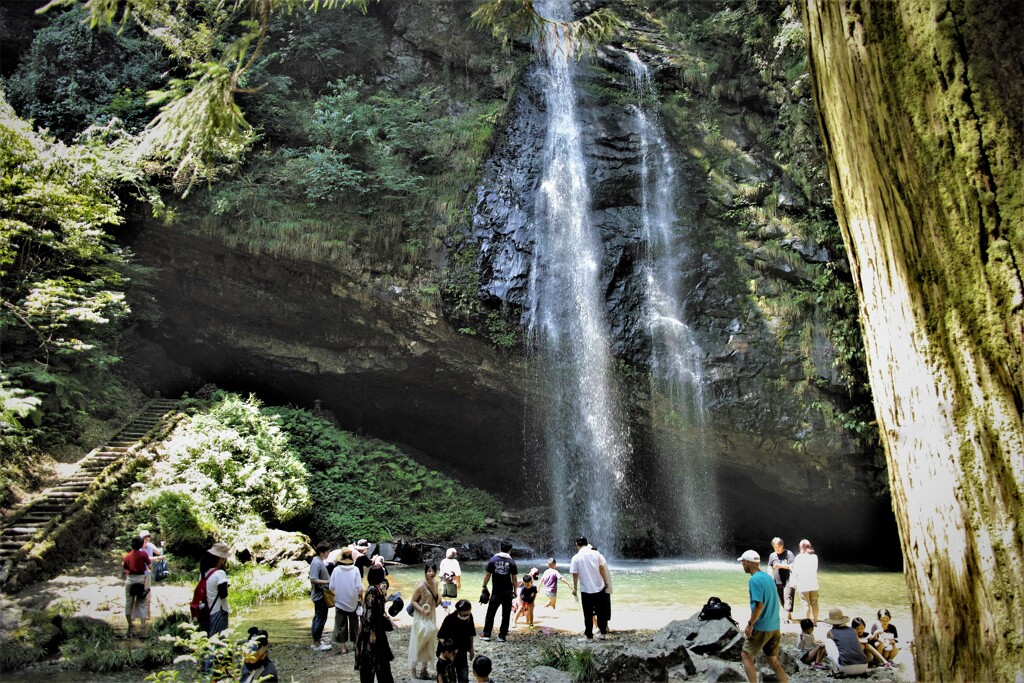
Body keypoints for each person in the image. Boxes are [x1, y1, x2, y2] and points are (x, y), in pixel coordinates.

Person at [737, 549, 789, 683]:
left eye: (743, 562)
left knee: (746, 655)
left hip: (762, 627)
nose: (742, 564)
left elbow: (759, 605)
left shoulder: (754, 580)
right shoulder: (768, 577)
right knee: (773, 661)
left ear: (748, 562)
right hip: (775, 626)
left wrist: (750, 624)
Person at [356, 566, 396, 683]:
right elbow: (369, 613)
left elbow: (377, 606)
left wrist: (387, 599)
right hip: (371, 630)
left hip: (377, 629)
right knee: (370, 660)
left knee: (381, 661)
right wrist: (372, 632)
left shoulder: (376, 589)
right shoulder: (372, 591)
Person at [569, 536, 610, 641]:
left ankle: (589, 636)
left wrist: (574, 588)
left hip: (586, 590)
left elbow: (575, 574)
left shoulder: (576, 558)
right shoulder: (597, 554)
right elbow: (601, 568)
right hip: (599, 588)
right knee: (601, 611)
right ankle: (603, 634)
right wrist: (605, 581)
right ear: (587, 544)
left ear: (577, 545)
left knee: (587, 614)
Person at [480, 540, 517, 642]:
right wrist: (516, 590)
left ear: (500, 548)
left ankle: (487, 634)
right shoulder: (511, 562)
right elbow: (514, 578)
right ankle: (502, 636)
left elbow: (487, 575)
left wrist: (484, 586)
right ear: (510, 550)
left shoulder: (493, 560)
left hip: (496, 592)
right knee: (506, 615)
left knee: (490, 613)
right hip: (508, 592)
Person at [409, 563, 441, 679]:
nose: (431, 573)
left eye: (433, 571)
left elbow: (436, 599)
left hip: (431, 614)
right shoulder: (421, 585)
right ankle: (413, 670)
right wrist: (422, 610)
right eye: (429, 571)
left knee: (429, 641)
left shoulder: (436, 583)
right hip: (421, 615)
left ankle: (424, 669)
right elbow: (413, 601)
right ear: (425, 572)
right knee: (418, 641)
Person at [330, 547, 364, 654]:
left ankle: (343, 648)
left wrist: (338, 595)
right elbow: (359, 588)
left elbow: (331, 587)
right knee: (354, 624)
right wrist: (362, 600)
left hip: (340, 601)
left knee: (340, 624)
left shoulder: (336, 570)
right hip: (353, 600)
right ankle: (355, 645)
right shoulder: (355, 570)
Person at [437, 599, 476, 683]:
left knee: (464, 678)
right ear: (458, 611)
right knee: (450, 678)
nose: (466, 616)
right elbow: (440, 636)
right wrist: (448, 648)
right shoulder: (449, 619)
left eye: (467, 614)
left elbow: (471, 634)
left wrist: (471, 648)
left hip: (462, 650)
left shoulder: (470, 617)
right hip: (449, 652)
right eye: (464, 614)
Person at [822, 608, 869, 676]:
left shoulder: (830, 632)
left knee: (828, 641)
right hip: (864, 666)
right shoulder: (853, 630)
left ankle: (836, 670)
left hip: (846, 668)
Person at [122, 535, 151, 638]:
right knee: (142, 602)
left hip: (129, 580)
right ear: (140, 544)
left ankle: (130, 625)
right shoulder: (144, 554)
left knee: (129, 602)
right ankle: (143, 626)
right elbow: (150, 567)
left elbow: (125, 568)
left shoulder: (127, 556)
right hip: (140, 579)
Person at [202, 542, 231, 636]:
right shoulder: (220, 573)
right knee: (220, 641)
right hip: (218, 611)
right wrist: (226, 586)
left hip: (206, 611)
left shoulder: (204, 573)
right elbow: (223, 594)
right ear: (221, 559)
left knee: (210, 638)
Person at [310, 541, 333, 652]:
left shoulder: (318, 561)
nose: (329, 553)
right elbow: (313, 579)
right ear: (322, 552)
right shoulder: (316, 563)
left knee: (318, 618)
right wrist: (327, 581)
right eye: (328, 551)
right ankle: (317, 644)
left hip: (320, 595)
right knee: (320, 619)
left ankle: (316, 641)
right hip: (320, 596)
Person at [791, 538, 819, 623]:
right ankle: (815, 622)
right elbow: (815, 569)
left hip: (803, 585)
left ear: (801, 547)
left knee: (806, 604)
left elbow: (795, 572)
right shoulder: (814, 557)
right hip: (814, 584)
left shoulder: (799, 557)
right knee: (814, 604)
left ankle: (807, 623)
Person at [767, 537, 795, 622]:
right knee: (782, 600)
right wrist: (770, 576)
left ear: (782, 545)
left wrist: (781, 566)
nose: (777, 549)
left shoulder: (789, 553)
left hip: (789, 580)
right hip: (777, 581)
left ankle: (787, 618)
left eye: (778, 547)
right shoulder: (772, 555)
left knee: (788, 598)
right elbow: (769, 567)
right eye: (775, 547)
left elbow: (793, 566)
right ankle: (788, 615)